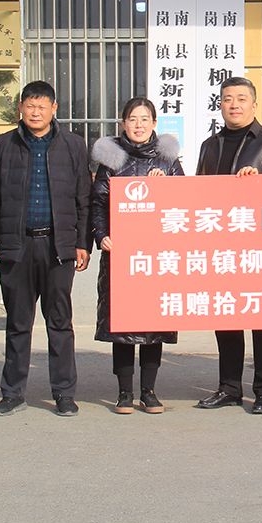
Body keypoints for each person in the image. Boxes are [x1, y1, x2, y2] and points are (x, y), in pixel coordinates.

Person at [0, 80, 91, 417]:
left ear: (54, 109)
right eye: (30, 106)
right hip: (17, 246)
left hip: (58, 247)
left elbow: (83, 199)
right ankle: (12, 393)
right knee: (18, 323)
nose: (35, 112)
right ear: (20, 108)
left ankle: (64, 393)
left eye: (42, 106)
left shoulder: (73, 145)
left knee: (60, 323)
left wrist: (82, 243)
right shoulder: (3, 145)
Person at [193, 76, 262, 415]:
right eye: (227, 99)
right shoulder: (210, 145)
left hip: (259, 247)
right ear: (220, 104)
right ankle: (229, 388)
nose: (234, 104)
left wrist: (259, 184)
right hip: (221, 246)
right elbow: (198, 195)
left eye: (241, 98)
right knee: (226, 318)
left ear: (254, 104)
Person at [90, 97, 182, 415]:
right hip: (121, 254)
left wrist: (165, 187)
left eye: (144, 119)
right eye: (132, 119)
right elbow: (98, 204)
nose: (138, 125)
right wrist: (101, 235)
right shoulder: (111, 162)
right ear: (123, 124)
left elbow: (184, 205)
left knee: (154, 324)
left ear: (154, 124)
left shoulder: (169, 162)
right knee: (123, 325)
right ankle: (124, 393)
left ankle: (149, 392)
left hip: (158, 256)